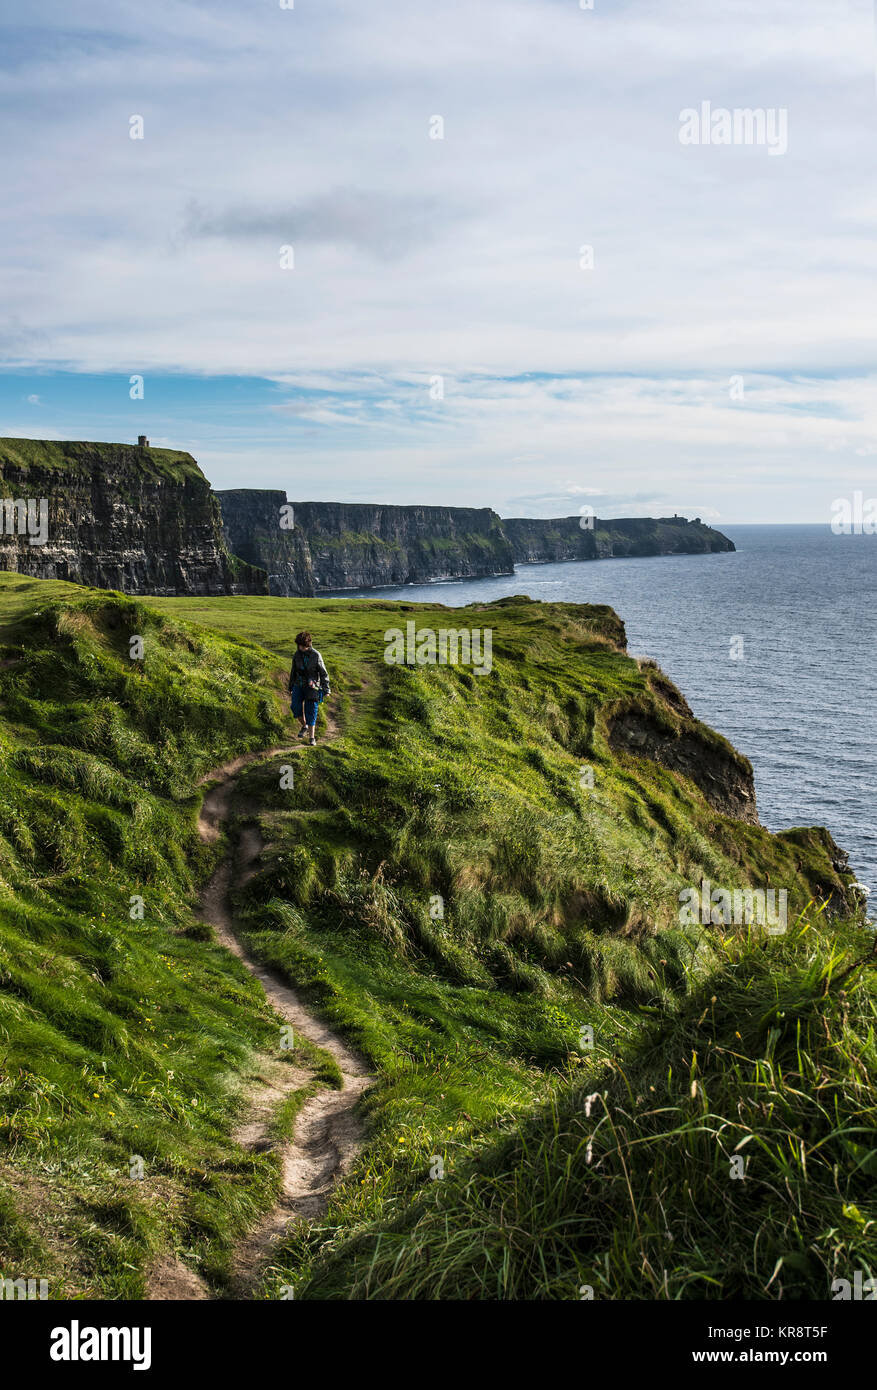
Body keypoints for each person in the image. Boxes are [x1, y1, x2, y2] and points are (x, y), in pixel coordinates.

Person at [289, 631, 330, 745]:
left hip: (313, 686)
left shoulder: (316, 655)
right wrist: (291, 686)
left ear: (308, 644)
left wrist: (326, 689)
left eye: (302, 646)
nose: (299, 648)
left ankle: (312, 738)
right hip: (298, 684)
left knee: (311, 709)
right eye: (298, 645)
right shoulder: (296, 654)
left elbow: (324, 673)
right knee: (295, 707)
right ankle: (304, 725)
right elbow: (293, 671)